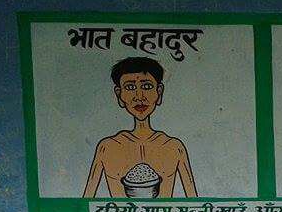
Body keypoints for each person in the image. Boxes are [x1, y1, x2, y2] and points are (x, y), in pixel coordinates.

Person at [82, 56, 198, 197]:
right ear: (119, 95)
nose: (139, 96)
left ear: (159, 92)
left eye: (147, 86)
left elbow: (195, 204)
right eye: (130, 87)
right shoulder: (107, 147)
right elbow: (85, 204)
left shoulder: (173, 146)